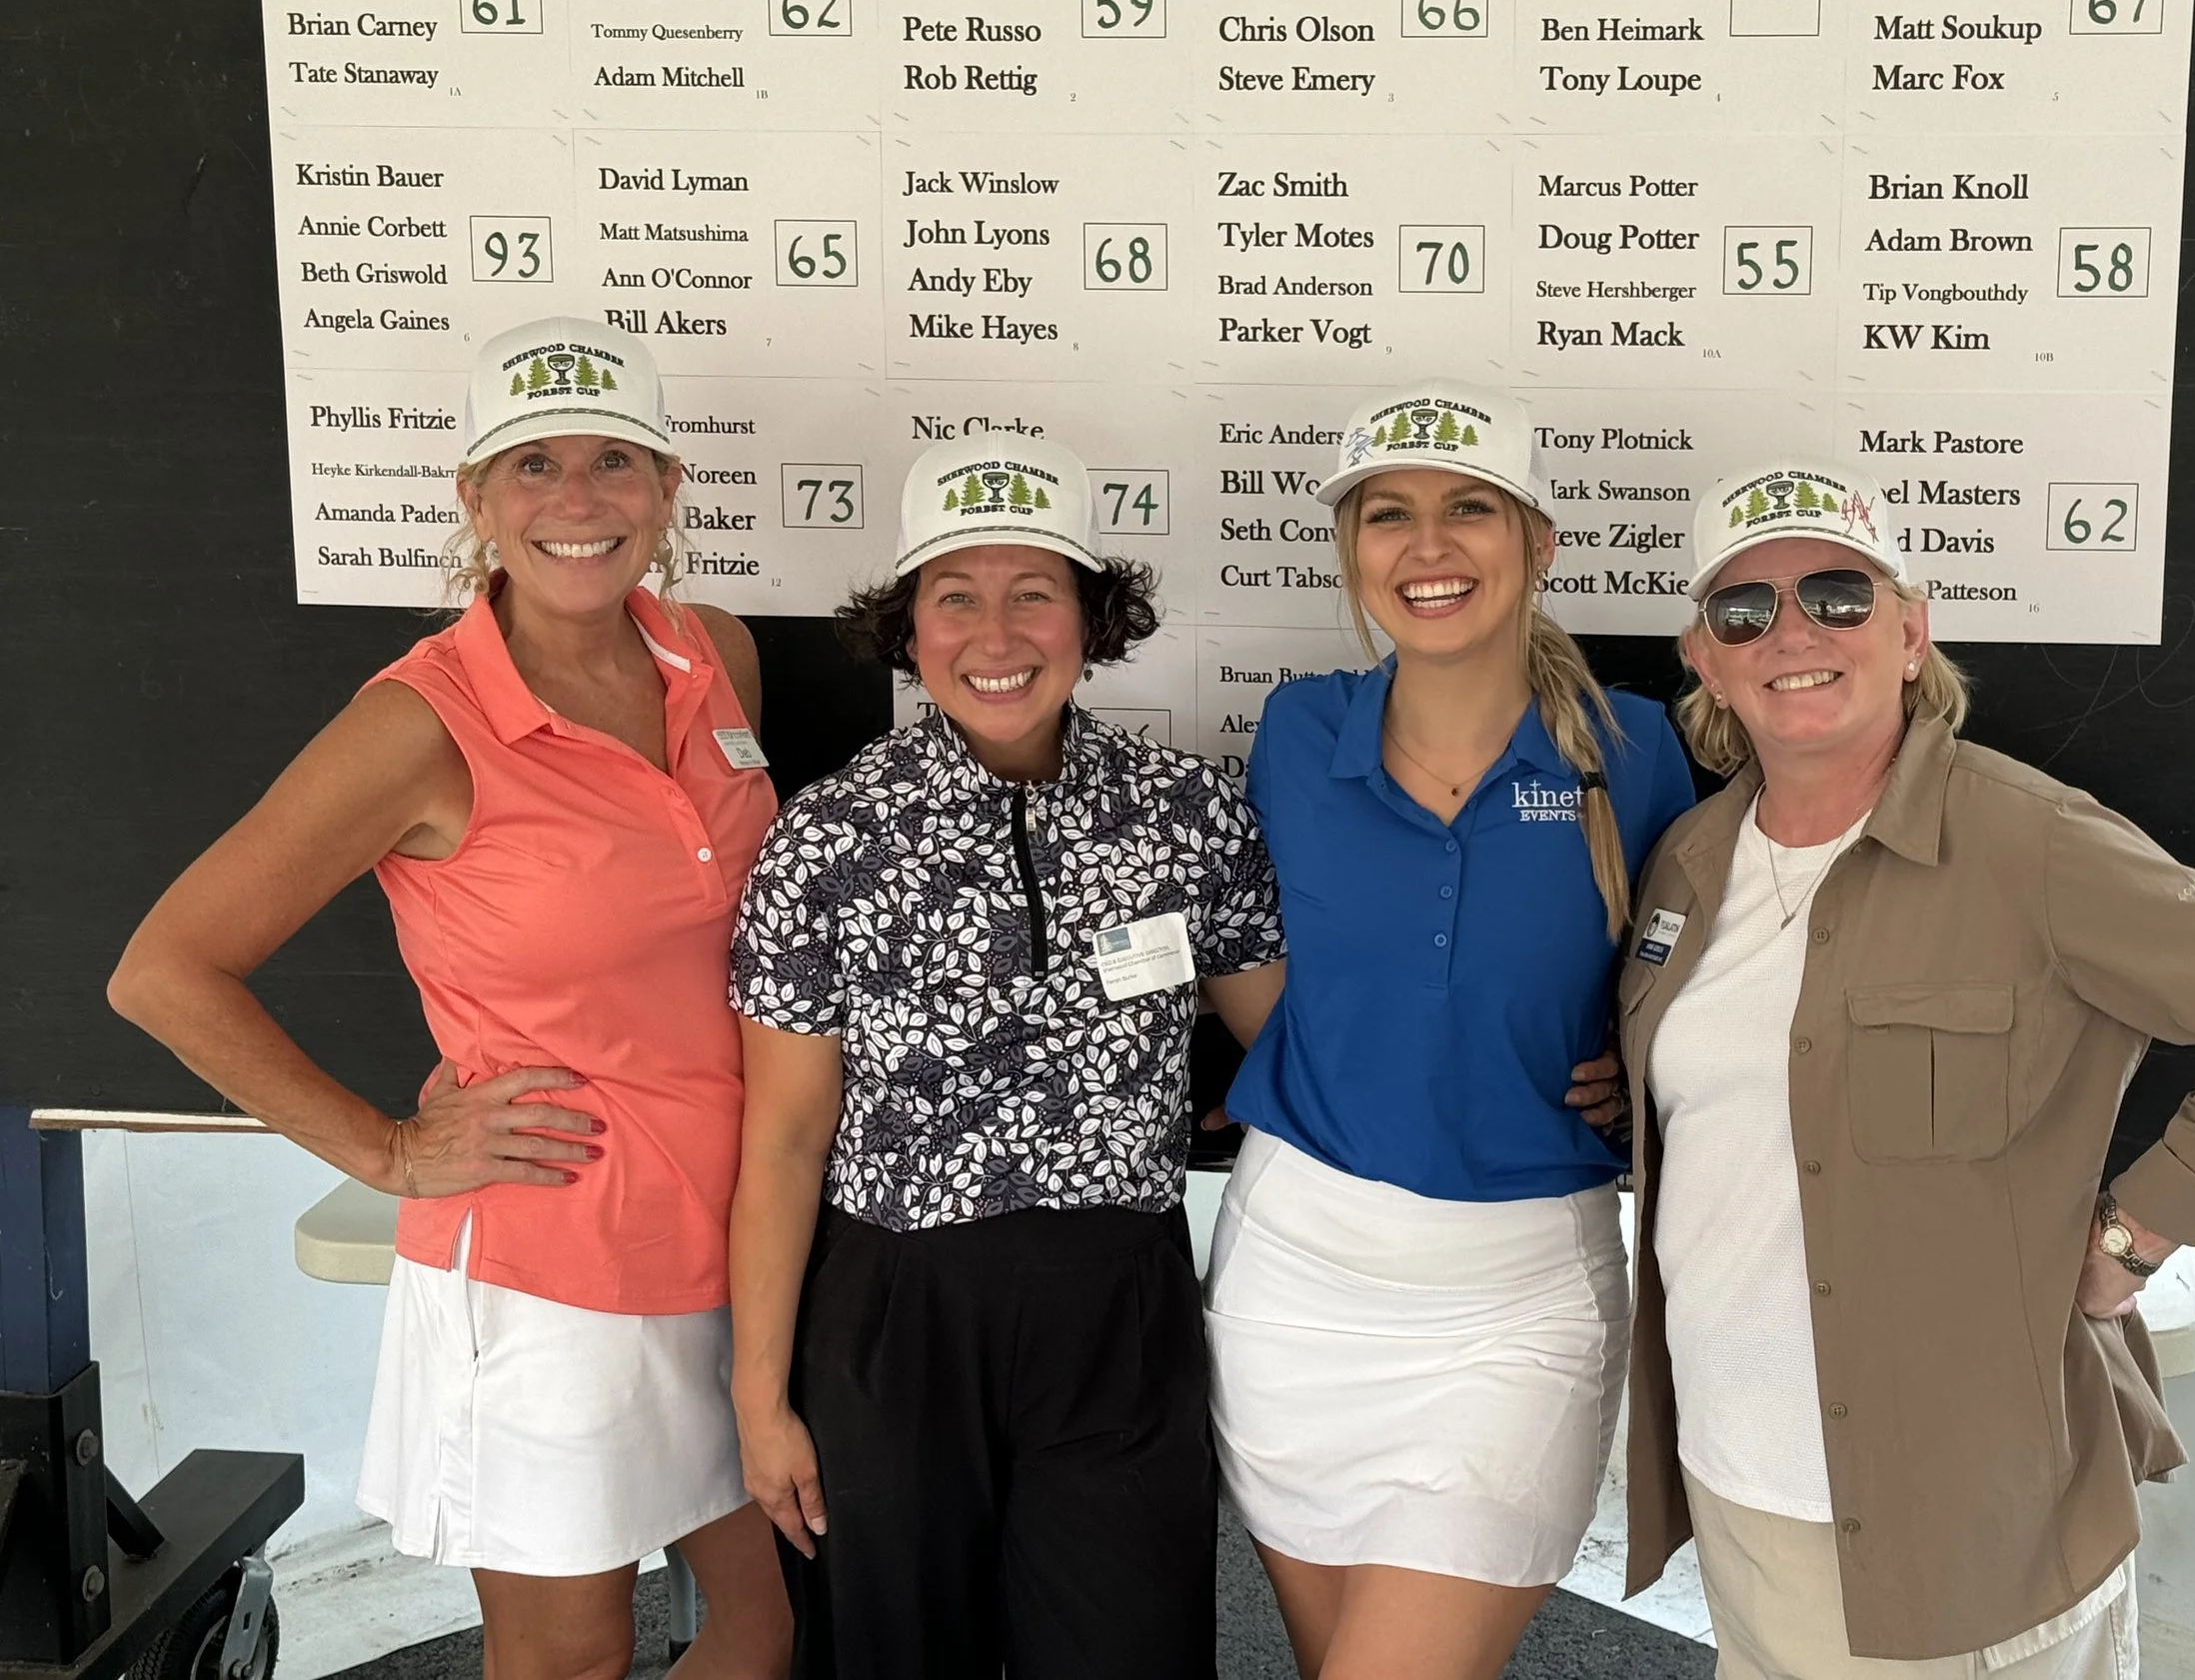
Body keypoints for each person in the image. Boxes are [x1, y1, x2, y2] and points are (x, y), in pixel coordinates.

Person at [1618, 458, 2195, 1680]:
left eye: (1837, 595)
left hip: (1966, 1519)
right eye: (1744, 610)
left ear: (1910, 634)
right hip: (1737, 1480)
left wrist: (2134, 1236)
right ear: (1705, 660)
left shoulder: (2029, 841)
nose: (1792, 634)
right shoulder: (1686, 860)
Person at [108, 317, 792, 1680]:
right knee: (568, 1654)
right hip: (553, 1269)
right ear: (477, 499)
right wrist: (390, 1151)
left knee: (768, 1626)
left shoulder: (714, 651)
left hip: (743, 1237)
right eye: (533, 464)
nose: (577, 498)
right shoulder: (419, 723)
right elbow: (163, 972)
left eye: (612, 460)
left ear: (666, 486)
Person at [727, 428, 1287, 1680]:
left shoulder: (1186, 813)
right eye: (955, 597)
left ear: (1089, 619)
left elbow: (1293, 1045)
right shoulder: (826, 837)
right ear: (907, 626)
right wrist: (759, 1401)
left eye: (1034, 593)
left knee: (1127, 1651)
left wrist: (1545, 1080)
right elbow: (786, 1138)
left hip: (1119, 1308)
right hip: (892, 1314)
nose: (996, 634)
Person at [1204, 383, 1695, 1680]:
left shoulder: (1633, 751)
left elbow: (1705, 968)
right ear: (1352, 549)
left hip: (1517, 1301)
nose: (1427, 545)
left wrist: (1640, 1068)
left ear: (1537, 542)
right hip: (1291, 1281)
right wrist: (1332, 1055)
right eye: (1388, 514)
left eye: (1469, 507)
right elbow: (1253, 950)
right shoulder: (1299, 730)